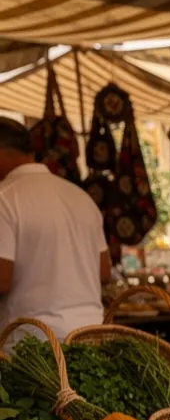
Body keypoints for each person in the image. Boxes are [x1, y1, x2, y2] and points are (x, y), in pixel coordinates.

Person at [0, 117, 109, 343]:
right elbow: (104, 271)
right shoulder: (80, 197)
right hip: (90, 337)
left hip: (32, 346)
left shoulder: (4, 198)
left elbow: (2, 279)